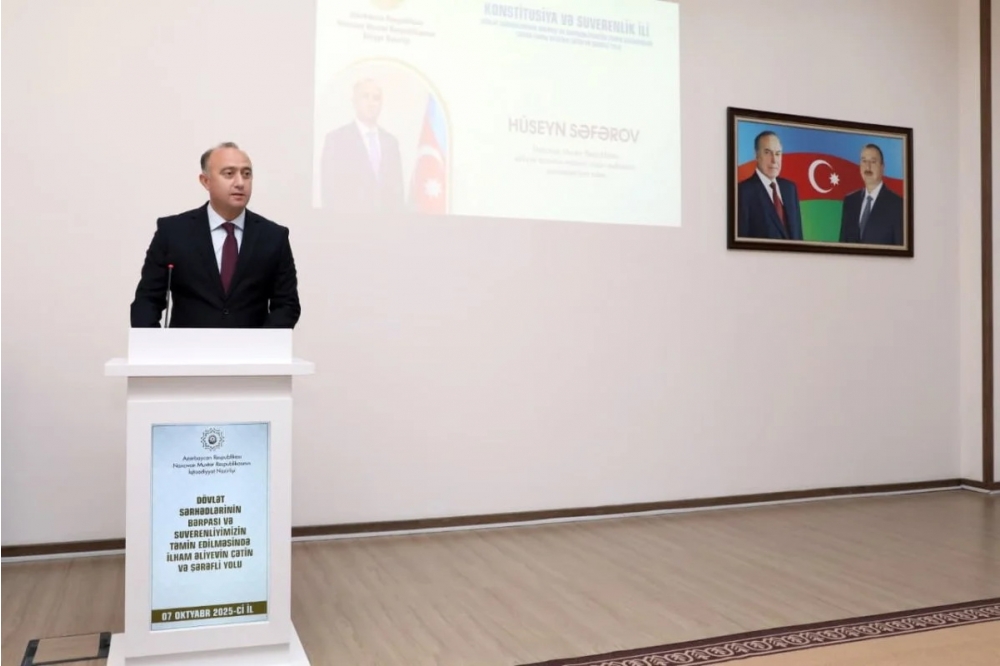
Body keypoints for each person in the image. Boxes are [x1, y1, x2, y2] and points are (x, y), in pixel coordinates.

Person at [129, 142, 301, 328]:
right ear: (206, 181)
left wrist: (261, 343)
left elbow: (287, 305)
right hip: (187, 345)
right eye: (229, 174)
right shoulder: (172, 232)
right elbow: (147, 300)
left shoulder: (274, 237)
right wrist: (154, 343)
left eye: (246, 174)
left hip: (251, 346)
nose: (240, 183)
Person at [320, 78, 404, 215]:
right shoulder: (336, 140)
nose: (371, 103)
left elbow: (398, 192)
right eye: (365, 97)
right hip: (349, 222)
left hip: (386, 224)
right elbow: (329, 192)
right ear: (354, 101)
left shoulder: (391, 143)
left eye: (376, 98)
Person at [736, 130, 804, 241]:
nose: (774, 160)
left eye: (778, 153)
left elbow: (799, 237)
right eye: (767, 153)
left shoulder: (790, 189)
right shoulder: (743, 192)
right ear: (756, 155)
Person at [838, 143, 904, 245]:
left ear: (882, 167)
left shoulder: (898, 205)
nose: (867, 167)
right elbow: (842, 245)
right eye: (864, 161)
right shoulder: (850, 202)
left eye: (873, 162)